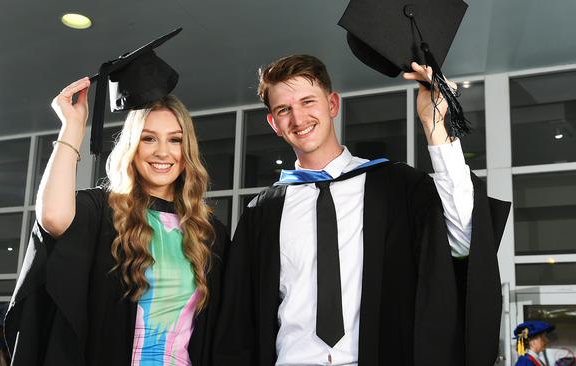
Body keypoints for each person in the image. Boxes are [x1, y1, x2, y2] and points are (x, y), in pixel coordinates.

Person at [212, 54, 510, 366]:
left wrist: (435, 128)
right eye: (284, 109)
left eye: (308, 102)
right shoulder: (263, 212)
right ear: (274, 123)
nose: (298, 118)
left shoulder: (393, 187)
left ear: (332, 104)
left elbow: (464, 237)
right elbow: (238, 321)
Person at [3, 77, 228, 366]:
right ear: (132, 146)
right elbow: (53, 218)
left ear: (187, 150)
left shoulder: (207, 234)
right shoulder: (102, 212)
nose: (163, 151)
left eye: (175, 139)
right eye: (149, 138)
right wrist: (72, 127)